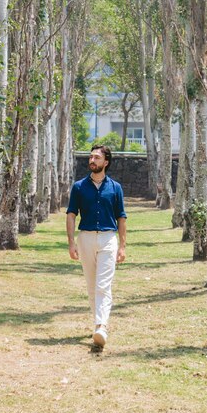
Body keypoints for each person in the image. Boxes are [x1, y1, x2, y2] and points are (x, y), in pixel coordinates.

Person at [66, 145, 127, 349]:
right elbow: (71, 215)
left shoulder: (115, 188)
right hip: (86, 239)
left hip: (109, 239)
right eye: (91, 157)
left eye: (97, 157)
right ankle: (97, 325)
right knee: (92, 285)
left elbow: (121, 217)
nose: (92, 160)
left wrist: (122, 246)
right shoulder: (79, 187)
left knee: (103, 284)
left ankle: (102, 326)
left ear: (106, 162)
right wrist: (71, 242)